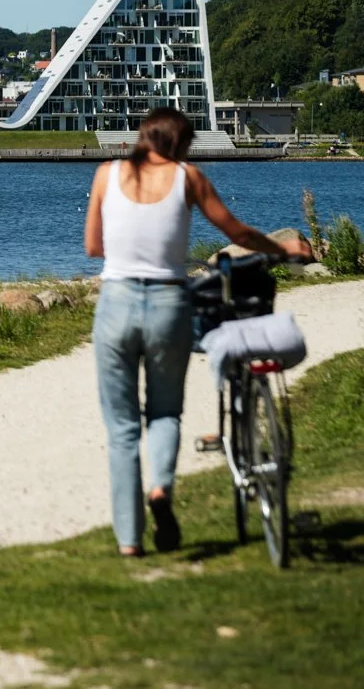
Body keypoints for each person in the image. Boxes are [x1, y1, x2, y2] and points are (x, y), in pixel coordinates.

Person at [83, 108, 310, 557]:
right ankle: (161, 490)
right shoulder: (190, 177)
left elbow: (93, 246)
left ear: (143, 136)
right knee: (165, 412)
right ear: (183, 144)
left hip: (116, 304)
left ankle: (130, 541)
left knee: (123, 427)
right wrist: (281, 248)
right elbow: (237, 232)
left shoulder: (106, 174)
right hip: (169, 303)